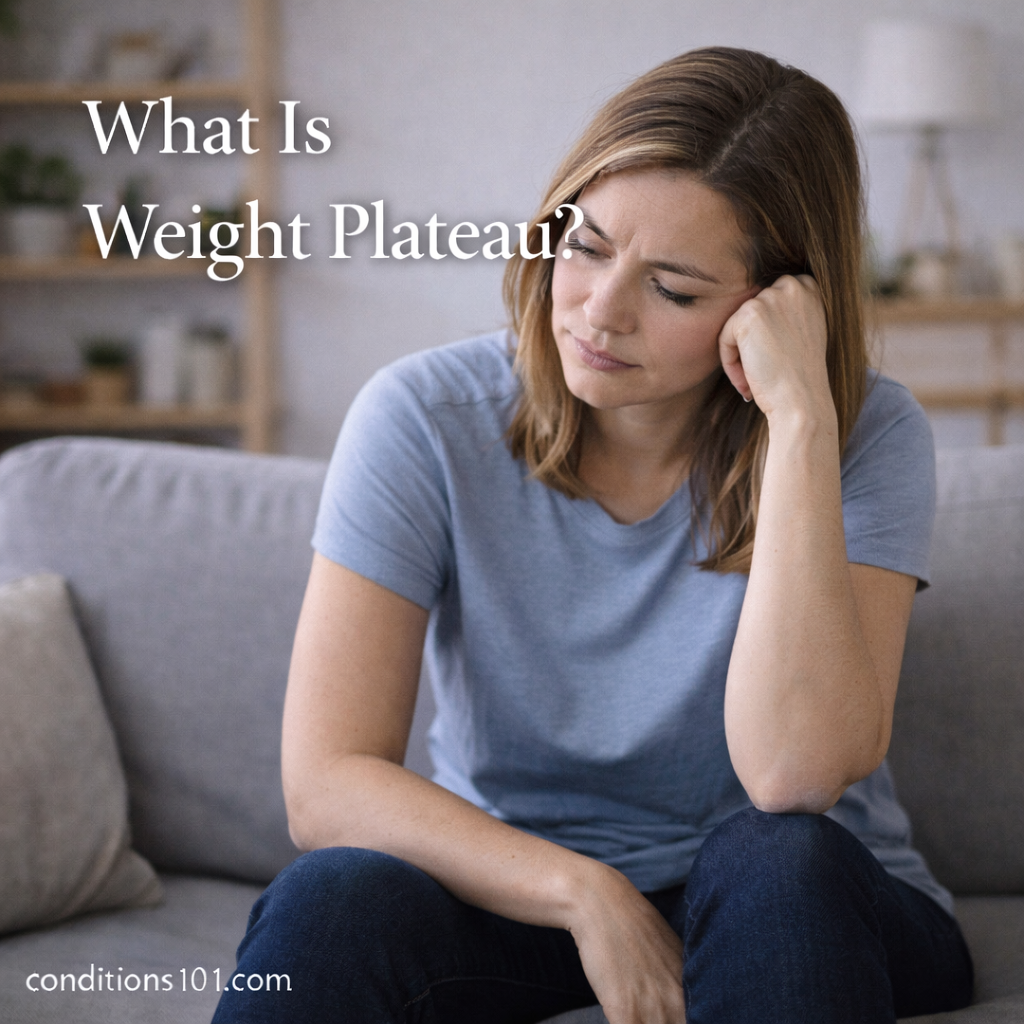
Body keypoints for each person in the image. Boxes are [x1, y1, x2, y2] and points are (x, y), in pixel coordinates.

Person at [213, 47, 973, 1024]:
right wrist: (584, 893)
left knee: (775, 856)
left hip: (802, 906)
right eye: (585, 245)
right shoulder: (423, 417)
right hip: (522, 896)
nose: (600, 313)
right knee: (331, 898)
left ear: (777, 305)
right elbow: (326, 785)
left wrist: (800, 420)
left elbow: (794, 776)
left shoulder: (864, 432)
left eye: (673, 289)